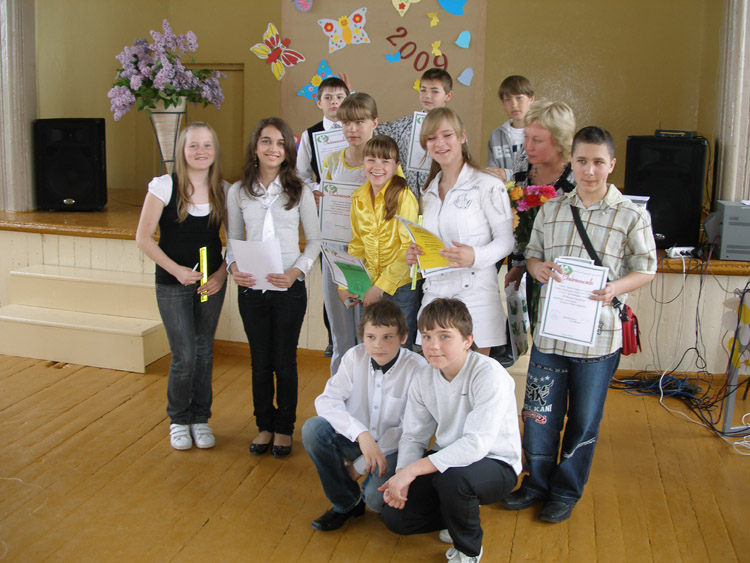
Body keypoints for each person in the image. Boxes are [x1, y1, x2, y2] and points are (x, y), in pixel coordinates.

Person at [501, 126, 657, 523]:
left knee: (584, 419)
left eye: (598, 162)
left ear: (612, 165)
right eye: (582, 161)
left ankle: (565, 491)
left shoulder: (631, 215)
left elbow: (647, 268)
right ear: (572, 162)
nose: (589, 170)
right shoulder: (552, 208)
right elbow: (532, 254)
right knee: (539, 412)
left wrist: (615, 288)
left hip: (598, 339)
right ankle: (535, 483)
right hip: (551, 334)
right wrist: (536, 267)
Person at [379, 298, 521, 563]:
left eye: (444, 336)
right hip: (447, 459)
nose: (433, 345)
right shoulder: (424, 378)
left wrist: (413, 470)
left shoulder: (489, 374)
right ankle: (457, 512)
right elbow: (413, 436)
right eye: (427, 336)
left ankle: (468, 550)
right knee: (395, 518)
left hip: (495, 462)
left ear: (467, 340)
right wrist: (403, 475)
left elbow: (476, 444)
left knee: (454, 481)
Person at [226, 117, 322, 458]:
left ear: (288, 151)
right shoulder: (238, 191)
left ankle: (284, 429)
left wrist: (296, 272)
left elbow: (315, 241)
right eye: (266, 141)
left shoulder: (300, 191)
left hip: (288, 289)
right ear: (255, 147)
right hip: (251, 288)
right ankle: (264, 425)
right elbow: (232, 240)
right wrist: (234, 268)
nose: (273, 148)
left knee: (284, 361)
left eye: (281, 143)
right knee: (259, 361)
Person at [135, 122, 228, 451]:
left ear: (215, 150)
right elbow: (143, 238)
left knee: (203, 351)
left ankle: (200, 417)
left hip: (210, 285)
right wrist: (176, 271)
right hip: (172, 284)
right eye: (194, 145)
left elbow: (234, 241)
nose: (201, 151)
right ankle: (178, 418)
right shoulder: (164, 186)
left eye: (207, 145)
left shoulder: (223, 190)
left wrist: (220, 275)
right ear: (182, 151)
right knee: (184, 355)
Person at [302, 300, 428, 531]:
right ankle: (346, 503)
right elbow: (327, 400)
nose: (378, 345)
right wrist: (361, 434)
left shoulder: (417, 368)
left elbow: (408, 428)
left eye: (387, 337)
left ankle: (367, 492)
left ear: (403, 337)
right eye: (371, 337)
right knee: (313, 430)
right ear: (363, 337)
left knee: (376, 502)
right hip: (358, 440)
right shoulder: (354, 356)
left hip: (392, 448)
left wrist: (358, 467)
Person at [405, 107, 514, 353]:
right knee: (436, 374)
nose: (439, 143)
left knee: (475, 374)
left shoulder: (487, 184)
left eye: (447, 135)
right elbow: (433, 244)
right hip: (435, 297)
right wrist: (416, 256)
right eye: (431, 138)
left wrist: (475, 255)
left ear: (462, 137)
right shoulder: (428, 191)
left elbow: (506, 241)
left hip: (476, 297)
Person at [336, 135, 420, 349]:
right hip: (369, 283)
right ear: (363, 163)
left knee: (398, 347)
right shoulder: (358, 197)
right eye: (371, 160)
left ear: (396, 166)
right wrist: (345, 284)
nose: (377, 166)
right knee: (372, 346)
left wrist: (379, 288)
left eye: (385, 161)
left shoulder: (404, 197)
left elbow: (407, 249)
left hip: (400, 286)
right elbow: (357, 245)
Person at [320, 92, 381, 375]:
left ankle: (368, 395)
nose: (352, 129)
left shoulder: (382, 164)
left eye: (359, 122)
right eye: (346, 123)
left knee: (368, 331)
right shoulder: (332, 160)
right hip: (335, 254)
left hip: (368, 257)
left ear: (374, 123)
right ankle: (339, 395)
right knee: (340, 334)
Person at [296, 75, 350, 358]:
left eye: (340, 97)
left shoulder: (355, 128)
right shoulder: (310, 135)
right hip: (326, 214)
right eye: (328, 98)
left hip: (356, 214)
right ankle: (334, 337)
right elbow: (301, 176)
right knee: (331, 278)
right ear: (318, 102)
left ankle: (357, 336)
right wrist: (315, 190)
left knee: (355, 273)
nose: (334, 102)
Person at [505, 100, 576, 291]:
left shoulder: (576, 177)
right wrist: (518, 264)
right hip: (524, 263)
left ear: (560, 142)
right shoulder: (523, 163)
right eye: (526, 137)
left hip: (560, 272)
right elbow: (517, 219)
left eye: (537, 140)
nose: (528, 146)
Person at [377, 68, 454, 197]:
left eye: (434, 91)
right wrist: (349, 98)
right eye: (423, 90)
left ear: (448, 96)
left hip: (439, 199)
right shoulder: (406, 124)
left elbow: (461, 166)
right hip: (406, 199)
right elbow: (373, 128)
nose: (427, 95)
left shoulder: (453, 130)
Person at [487, 75, 535, 182]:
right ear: (503, 103)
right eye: (508, 99)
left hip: (532, 191)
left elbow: (541, 170)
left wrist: (508, 174)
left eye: (519, 98)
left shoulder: (540, 134)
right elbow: (493, 171)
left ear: (531, 99)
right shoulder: (496, 136)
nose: (514, 104)